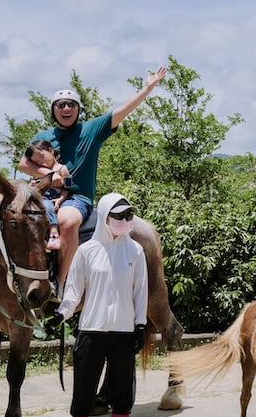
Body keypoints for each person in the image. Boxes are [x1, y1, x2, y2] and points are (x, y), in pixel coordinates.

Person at [18, 66, 166, 289]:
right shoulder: (44, 137)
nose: (66, 108)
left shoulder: (91, 129)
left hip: (77, 198)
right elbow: (23, 163)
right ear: (53, 110)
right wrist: (50, 175)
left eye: (71, 104)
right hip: (45, 194)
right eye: (60, 105)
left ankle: (61, 282)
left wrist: (147, 89)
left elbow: (123, 110)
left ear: (78, 109)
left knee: (67, 221)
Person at [46, 194, 149, 417]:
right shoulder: (86, 251)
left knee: (122, 393)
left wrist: (140, 325)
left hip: (124, 333)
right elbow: (73, 291)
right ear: (104, 217)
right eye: (118, 217)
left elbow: (141, 292)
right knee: (84, 391)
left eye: (128, 217)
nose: (124, 222)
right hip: (91, 331)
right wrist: (62, 313)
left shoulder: (135, 251)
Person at [24, 139, 70, 251]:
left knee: (47, 206)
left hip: (51, 197)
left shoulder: (62, 169)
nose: (41, 163)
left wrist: (61, 198)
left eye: (42, 157)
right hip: (38, 195)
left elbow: (68, 186)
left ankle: (54, 233)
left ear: (50, 151)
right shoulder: (40, 171)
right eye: (37, 162)